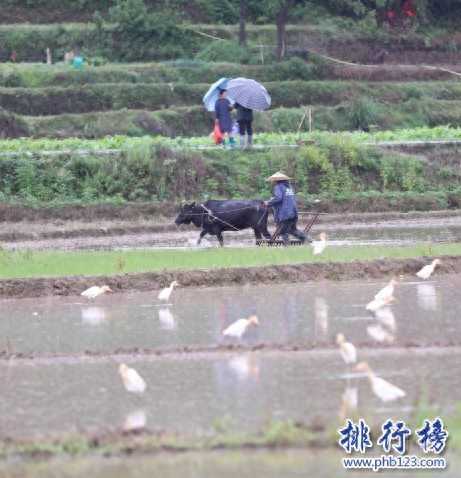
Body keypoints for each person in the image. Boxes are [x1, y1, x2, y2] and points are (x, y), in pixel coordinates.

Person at [264, 171, 311, 246]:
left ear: (276, 180)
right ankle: (308, 240)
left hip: (285, 213)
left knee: (283, 232)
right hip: (294, 212)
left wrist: (269, 202)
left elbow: (278, 198)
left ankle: (287, 248)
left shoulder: (278, 187)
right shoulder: (290, 186)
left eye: (274, 181)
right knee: (293, 230)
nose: (273, 182)